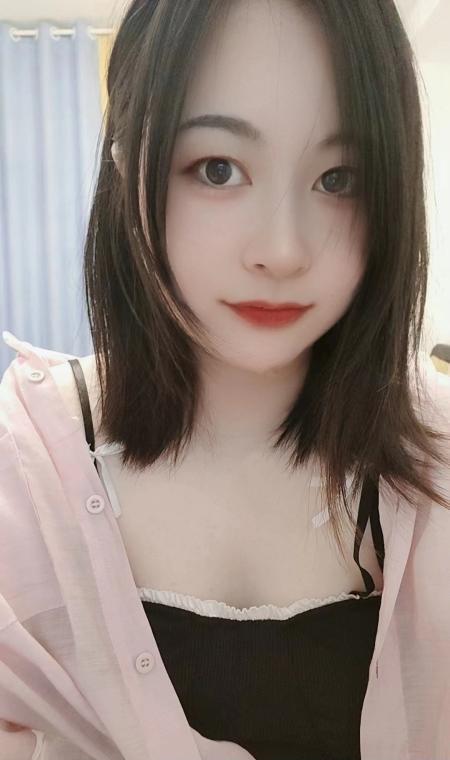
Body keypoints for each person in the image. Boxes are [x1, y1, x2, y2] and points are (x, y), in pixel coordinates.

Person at [1, 1, 450, 759]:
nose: (283, 250)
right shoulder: (25, 475)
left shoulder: (433, 458)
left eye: (339, 178)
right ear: (125, 160)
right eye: (218, 169)